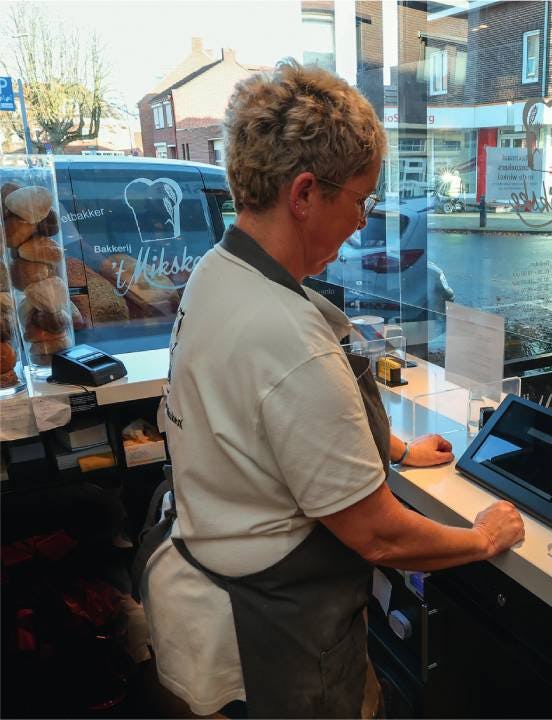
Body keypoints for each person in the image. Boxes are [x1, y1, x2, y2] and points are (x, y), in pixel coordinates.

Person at [138, 62, 524, 718]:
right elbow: (382, 538)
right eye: (360, 199)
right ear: (306, 193)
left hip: (206, 576)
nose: (362, 221)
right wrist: (482, 538)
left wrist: (394, 449)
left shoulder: (217, 272)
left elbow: (262, 421)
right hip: (274, 642)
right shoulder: (287, 335)